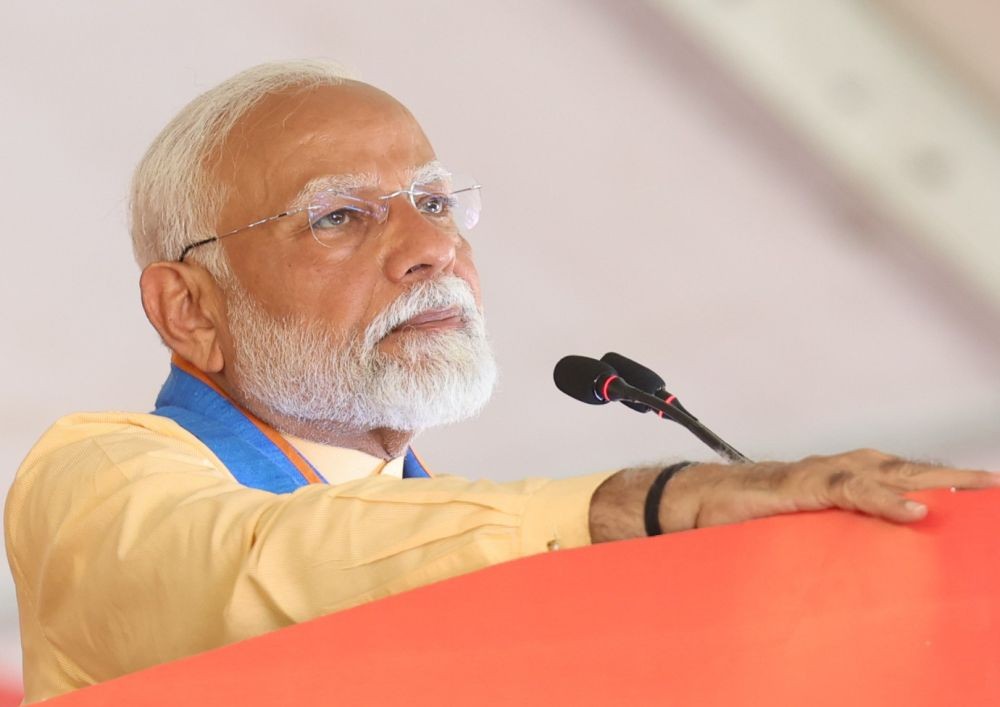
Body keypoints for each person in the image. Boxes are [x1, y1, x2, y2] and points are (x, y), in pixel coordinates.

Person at [6, 60, 996, 703]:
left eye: (436, 202)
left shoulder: (447, 534)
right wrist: (648, 506)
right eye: (340, 215)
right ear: (189, 308)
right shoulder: (93, 478)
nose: (431, 247)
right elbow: (259, 567)